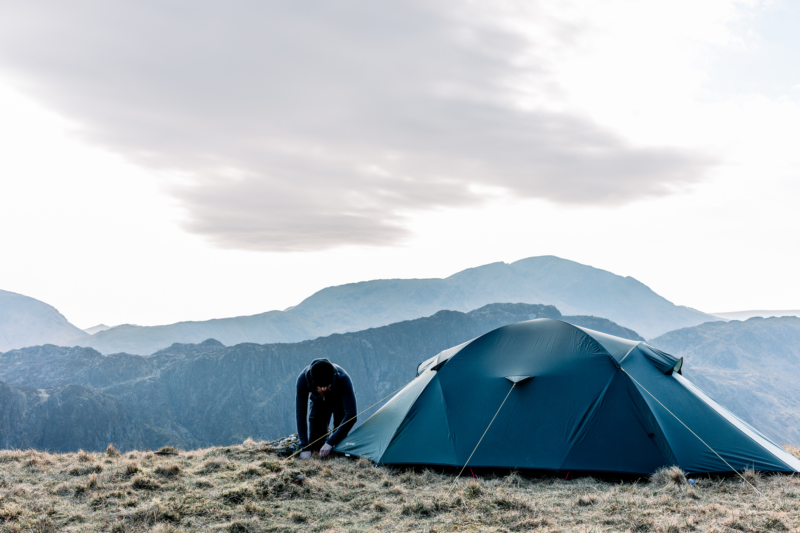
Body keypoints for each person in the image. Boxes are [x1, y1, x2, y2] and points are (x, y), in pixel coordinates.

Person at [295, 358, 357, 459]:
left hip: (340, 400)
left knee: (338, 441)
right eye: (320, 386)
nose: (324, 388)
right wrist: (304, 447)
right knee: (316, 443)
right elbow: (300, 413)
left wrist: (330, 442)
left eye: (327, 385)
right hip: (318, 401)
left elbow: (351, 415)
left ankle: (337, 451)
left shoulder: (343, 378)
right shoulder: (303, 380)